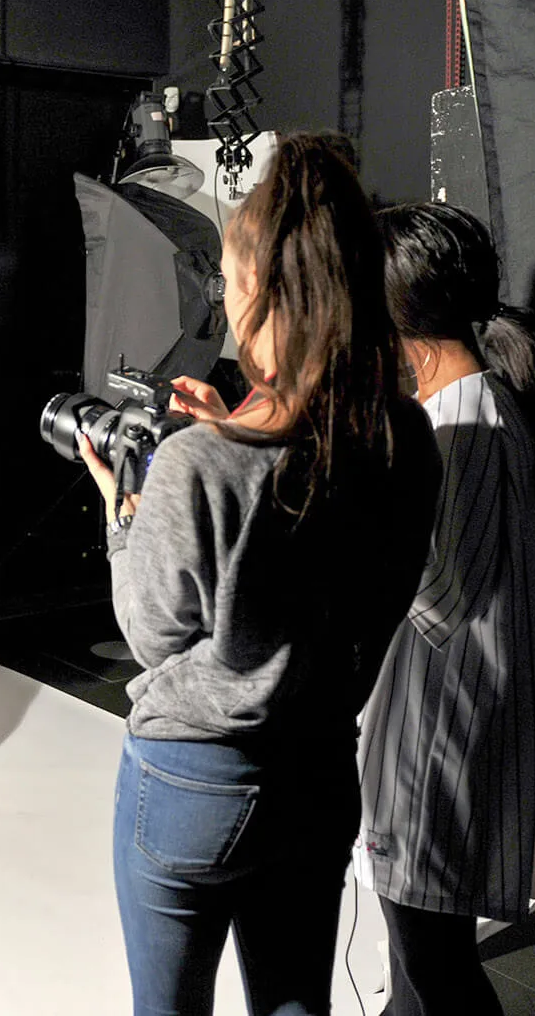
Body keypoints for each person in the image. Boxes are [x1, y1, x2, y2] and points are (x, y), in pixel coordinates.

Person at [80, 134, 442, 1016]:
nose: (227, 302)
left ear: (268, 296)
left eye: (233, 285)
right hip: (320, 774)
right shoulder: (405, 437)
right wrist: (231, 422)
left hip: (194, 783)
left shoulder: (197, 466)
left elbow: (152, 633)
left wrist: (125, 508)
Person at [355, 201, 535, 1016]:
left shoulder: (466, 425)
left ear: (397, 314)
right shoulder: (464, 412)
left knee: (434, 963)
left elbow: (436, 597)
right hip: (437, 732)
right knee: (416, 960)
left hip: (436, 738)